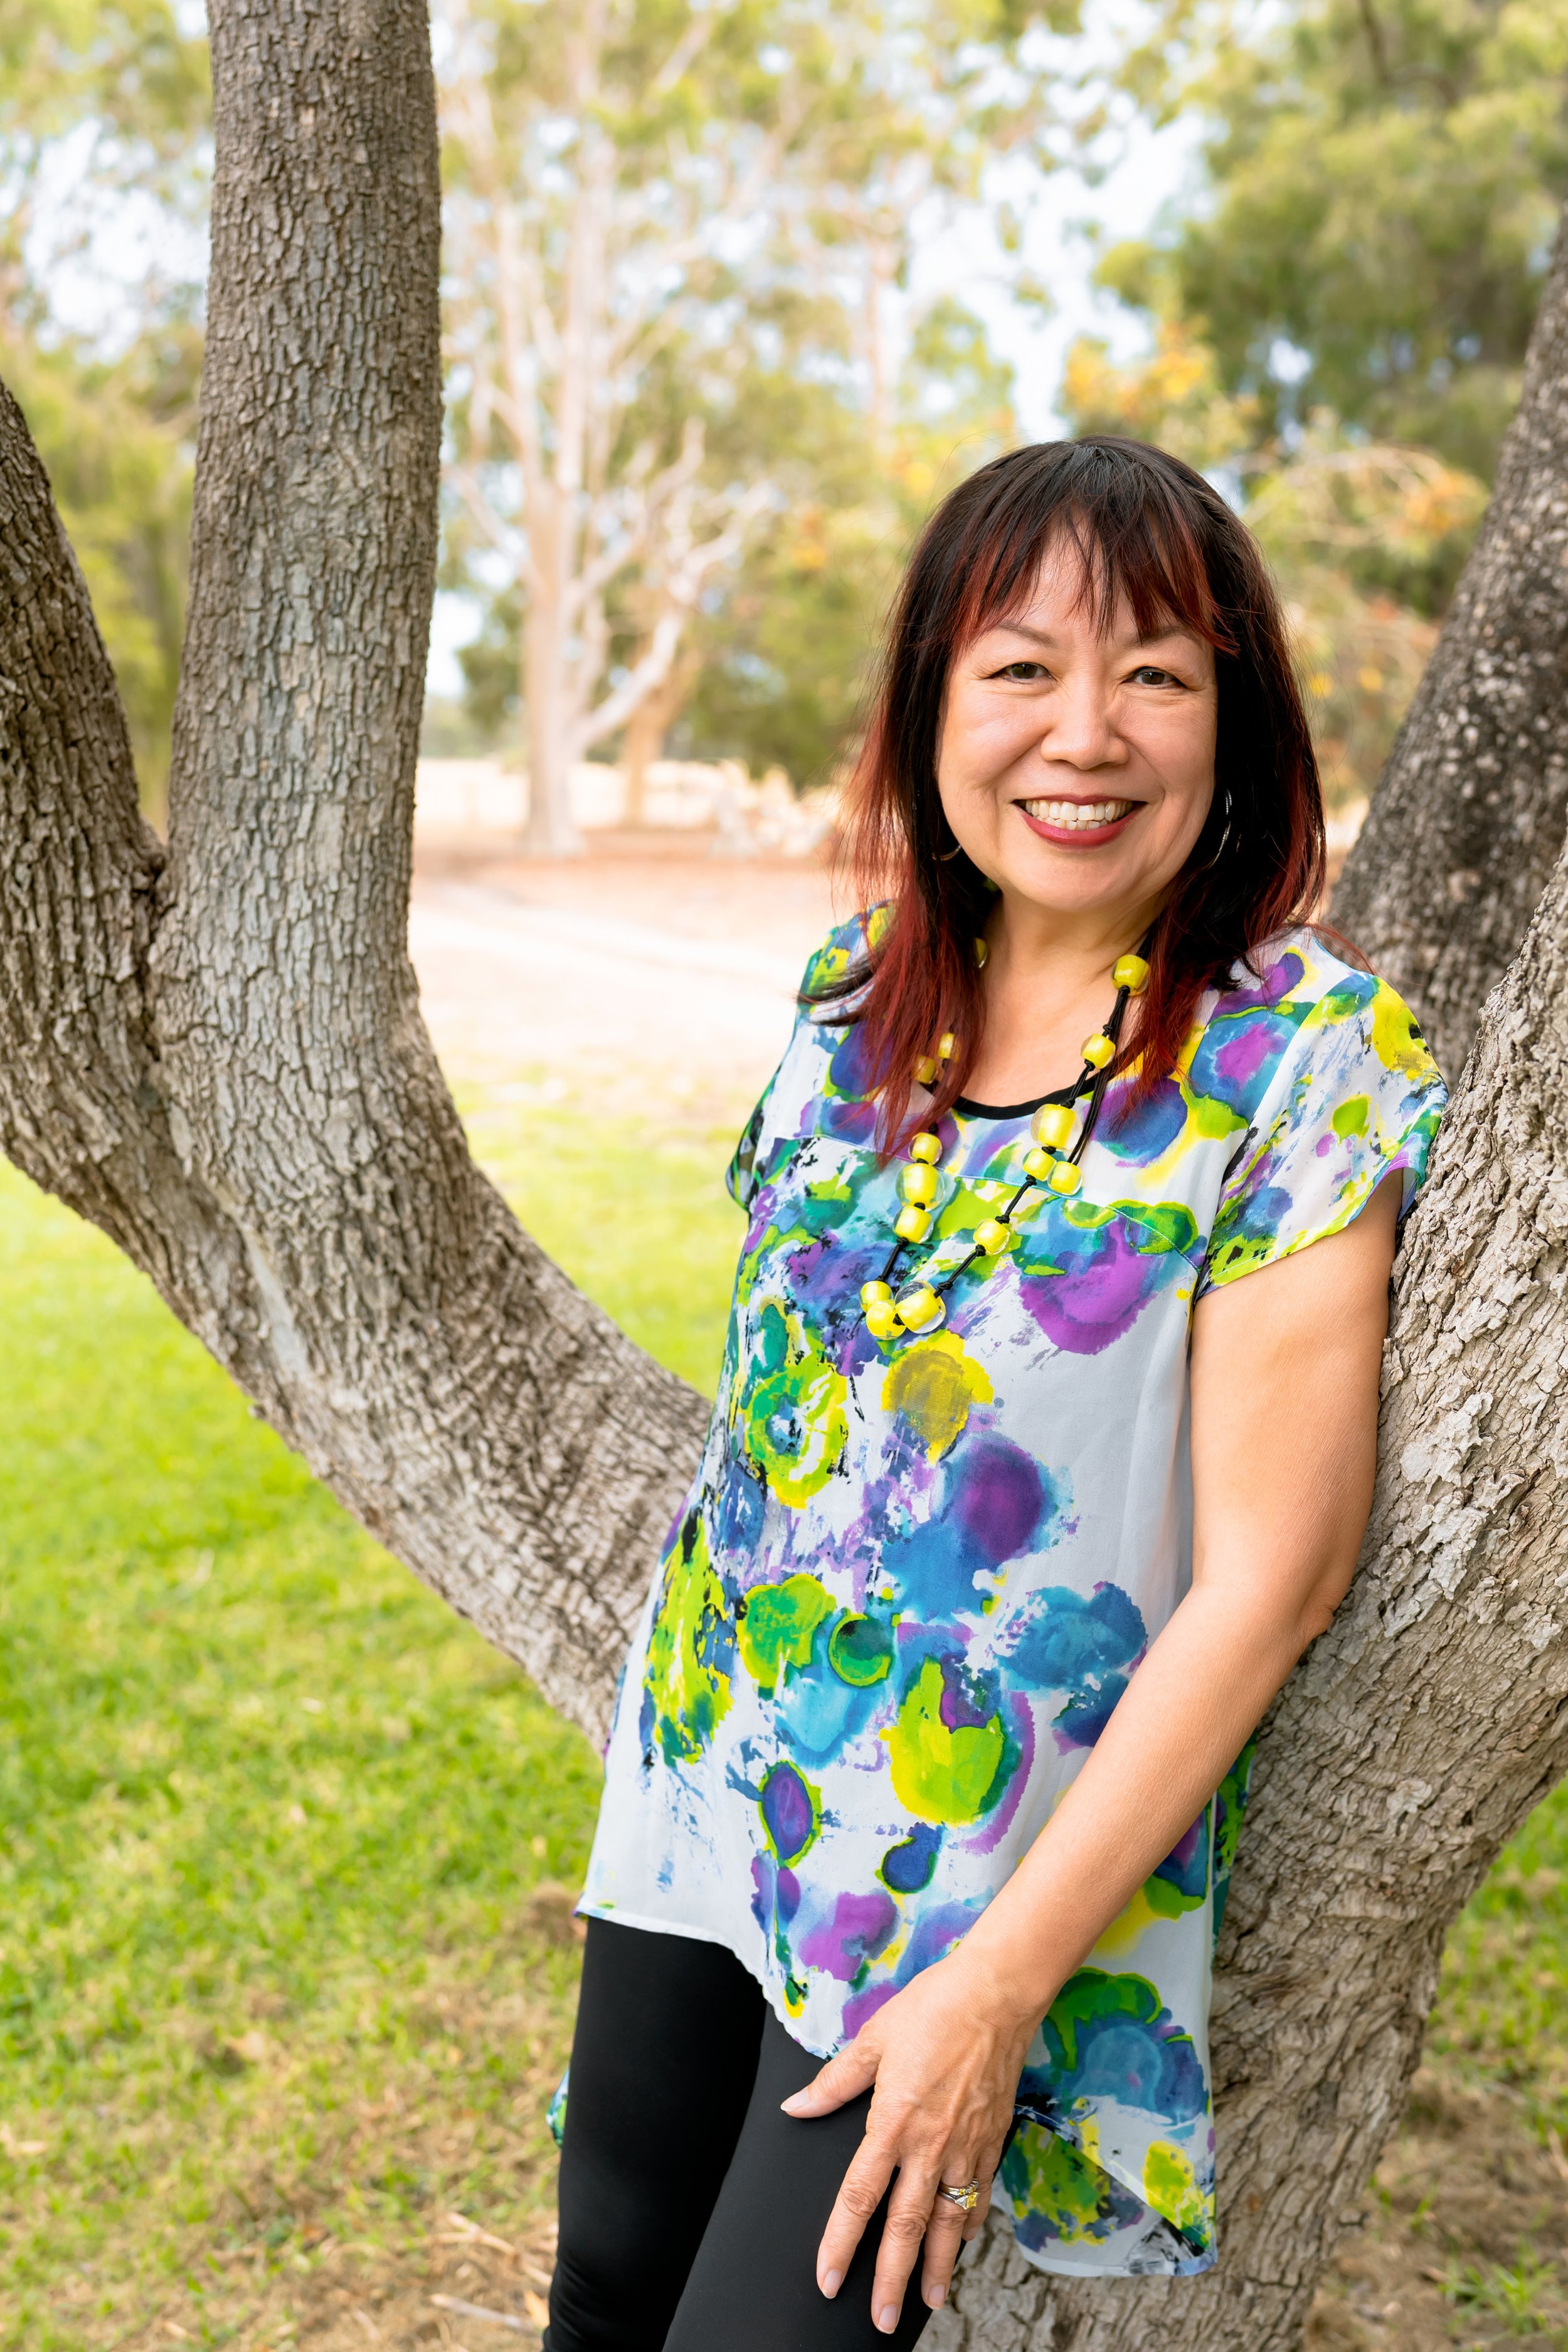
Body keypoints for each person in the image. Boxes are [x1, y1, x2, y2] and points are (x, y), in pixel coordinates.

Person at [544, 436, 1446, 2352]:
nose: (1084, 732)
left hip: (973, 1882)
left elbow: (1271, 1579)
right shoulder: (849, 998)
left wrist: (993, 1990)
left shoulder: (1297, 1061)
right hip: (710, 1790)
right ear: (930, 707)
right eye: (1019, 667)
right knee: (606, 2286)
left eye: (1156, 673)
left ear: (1235, 728)